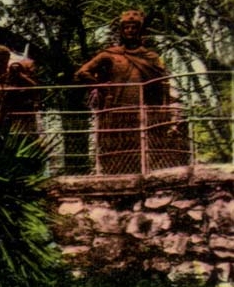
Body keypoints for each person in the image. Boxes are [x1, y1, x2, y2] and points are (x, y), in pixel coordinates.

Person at [74, 10, 184, 173]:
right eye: (126, 28)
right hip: (116, 109)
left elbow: (163, 83)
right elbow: (82, 73)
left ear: (140, 31)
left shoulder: (151, 57)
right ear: (122, 31)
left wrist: (165, 108)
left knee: (143, 146)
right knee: (117, 148)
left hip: (144, 110)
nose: (130, 30)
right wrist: (101, 86)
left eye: (134, 27)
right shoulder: (110, 54)